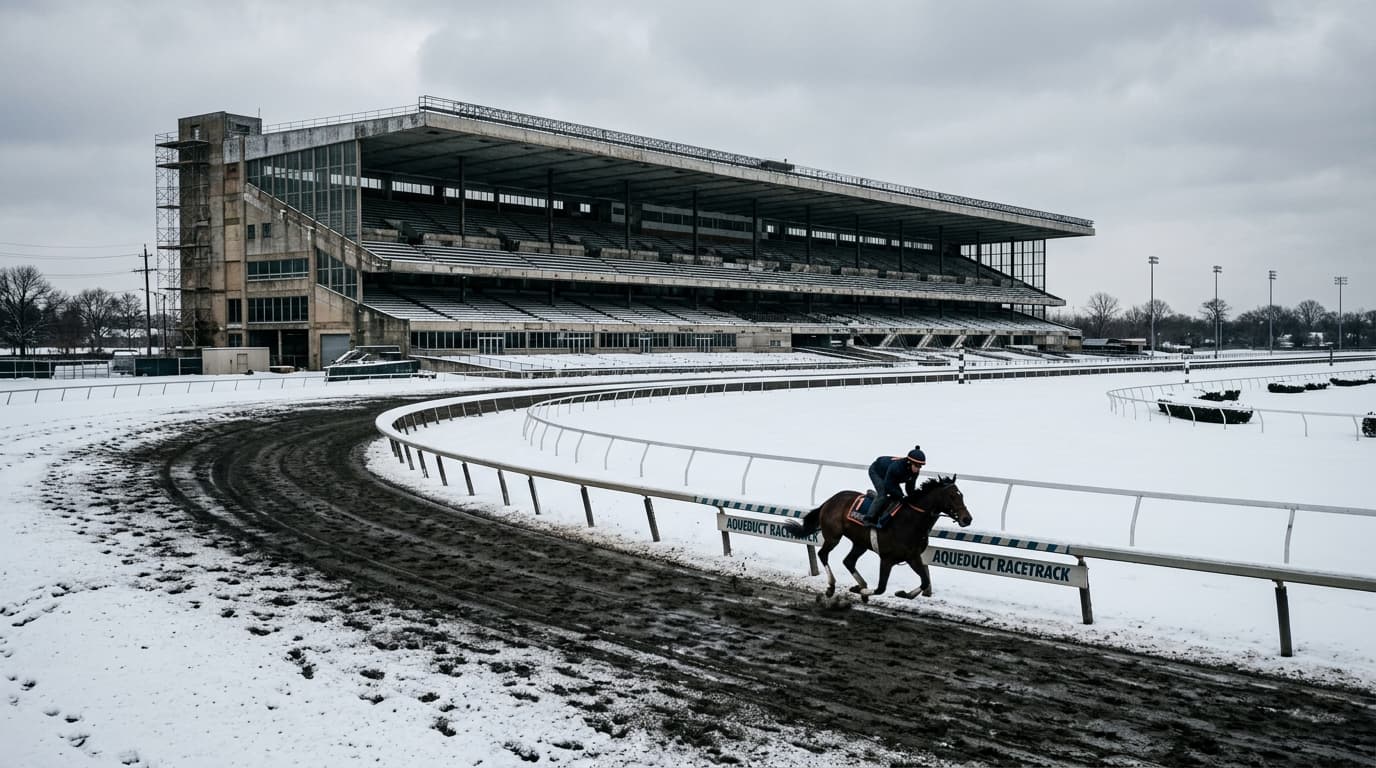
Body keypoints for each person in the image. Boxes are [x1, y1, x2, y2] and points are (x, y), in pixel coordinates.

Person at [864, 445, 926, 526]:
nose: (918, 469)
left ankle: (877, 501)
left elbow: (910, 488)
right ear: (909, 462)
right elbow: (888, 485)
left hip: (891, 477)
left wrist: (912, 498)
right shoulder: (896, 468)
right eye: (916, 466)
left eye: (920, 466)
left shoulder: (915, 472)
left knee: (898, 498)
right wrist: (901, 496)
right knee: (883, 494)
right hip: (877, 471)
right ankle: (868, 519)